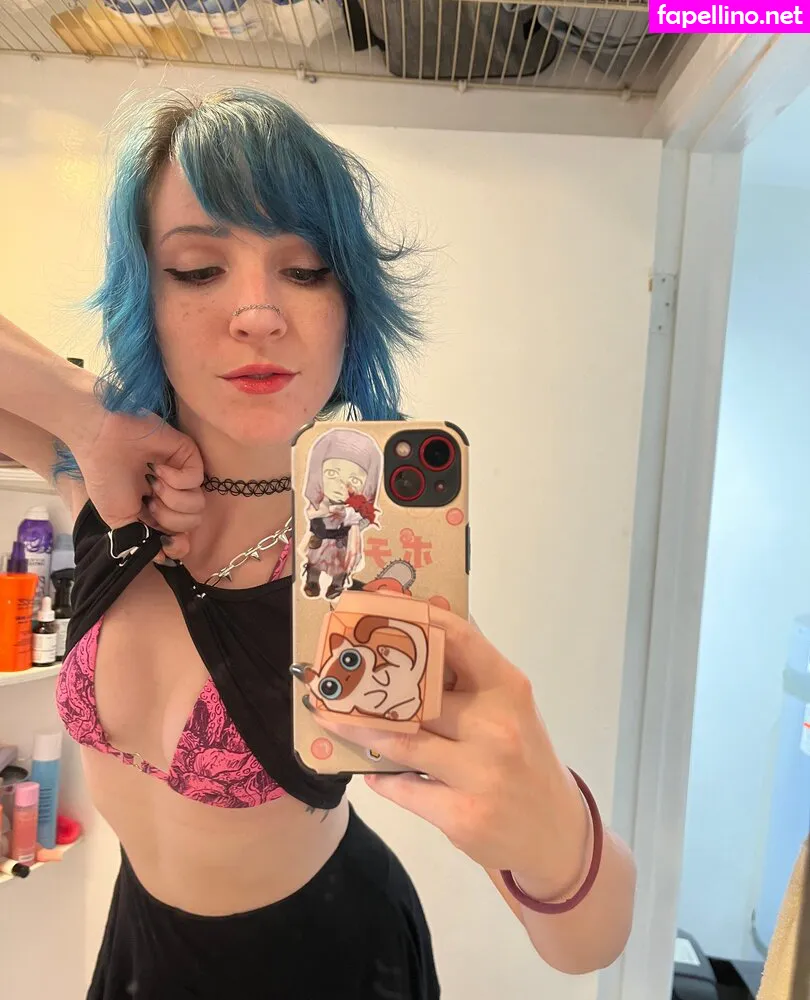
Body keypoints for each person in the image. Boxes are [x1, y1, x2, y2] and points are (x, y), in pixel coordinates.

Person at [0, 87, 636, 998]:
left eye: (304, 270)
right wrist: (88, 417)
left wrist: (553, 831)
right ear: (146, 291)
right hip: (139, 949)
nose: (259, 312)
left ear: (351, 306)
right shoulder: (101, 483)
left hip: (333, 959)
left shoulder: (369, 567)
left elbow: (589, 945)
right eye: (197, 269)